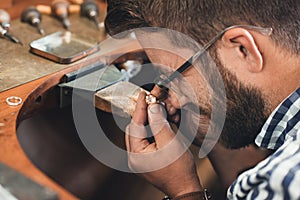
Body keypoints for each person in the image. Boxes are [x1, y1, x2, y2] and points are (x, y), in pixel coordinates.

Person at [104, 0, 300, 199]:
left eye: (175, 76)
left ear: (243, 49)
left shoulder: (284, 180)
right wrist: (214, 126)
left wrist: (183, 190)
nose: (177, 101)